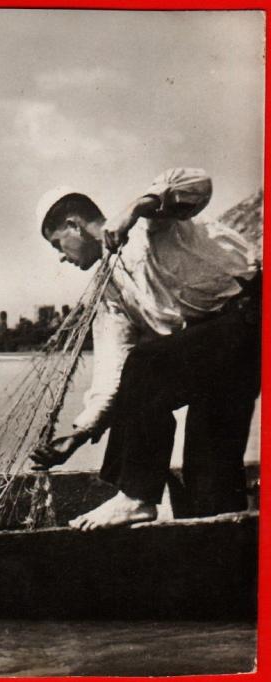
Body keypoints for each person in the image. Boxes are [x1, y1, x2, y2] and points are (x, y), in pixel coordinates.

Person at [30, 168, 261, 530]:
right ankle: (219, 540)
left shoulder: (150, 224)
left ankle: (136, 497)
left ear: (74, 225)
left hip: (251, 317)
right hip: (218, 355)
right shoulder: (110, 291)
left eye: (58, 244)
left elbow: (197, 183)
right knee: (209, 480)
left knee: (147, 364)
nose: (61, 256)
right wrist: (80, 434)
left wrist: (138, 207)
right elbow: (114, 372)